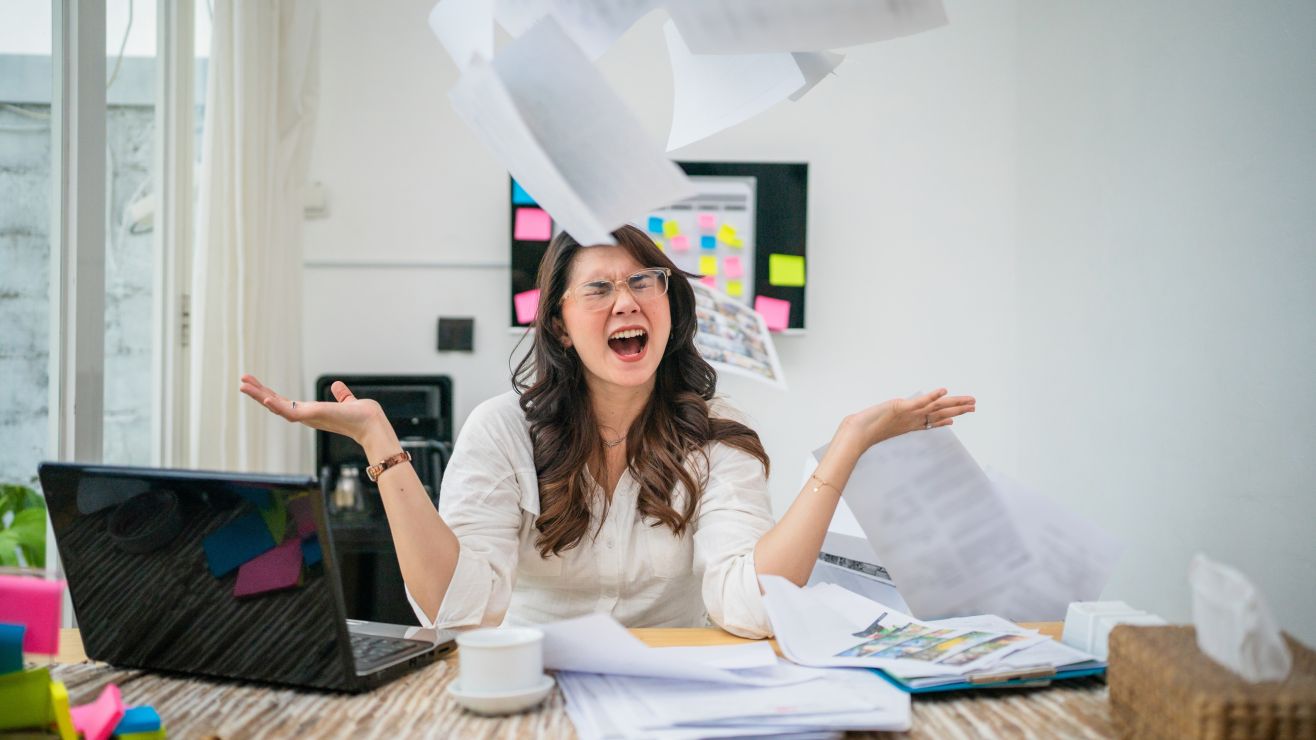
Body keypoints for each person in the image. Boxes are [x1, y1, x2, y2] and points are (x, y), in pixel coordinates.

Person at [240, 225, 974, 637]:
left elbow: (750, 607)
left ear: (669, 305)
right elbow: (457, 611)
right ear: (560, 323)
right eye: (598, 288)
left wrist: (845, 448)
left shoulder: (719, 435)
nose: (626, 302)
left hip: (679, 697)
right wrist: (381, 446)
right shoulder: (501, 430)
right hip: (538, 694)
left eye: (644, 282)